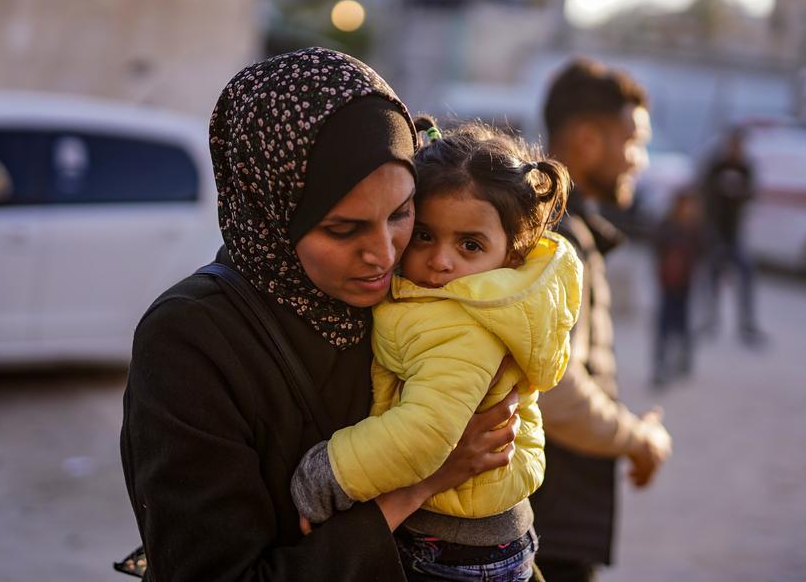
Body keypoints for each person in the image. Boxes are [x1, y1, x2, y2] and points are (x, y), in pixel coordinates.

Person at [120, 47, 520, 582]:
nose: (383, 253)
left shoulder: (416, 292)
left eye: (402, 214)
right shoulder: (191, 340)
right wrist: (419, 483)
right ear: (270, 212)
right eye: (343, 229)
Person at [290, 118, 582, 581]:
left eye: (470, 244)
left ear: (511, 255)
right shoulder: (460, 298)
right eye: (424, 235)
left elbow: (424, 433)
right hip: (481, 528)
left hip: (453, 547)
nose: (441, 260)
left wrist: (326, 476)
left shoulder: (461, 321)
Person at [529, 57, 672, 581]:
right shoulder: (560, 240)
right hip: (549, 521)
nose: (639, 160)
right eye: (632, 142)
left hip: (552, 514)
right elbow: (556, 390)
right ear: (587, 139)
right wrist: (637, 438)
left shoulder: (561, 227)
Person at [698, 126, 764, 345]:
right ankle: (710, 320)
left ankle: (747, 324)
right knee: (712, 277)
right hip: (715, 231)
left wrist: (739, 193)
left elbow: (752, 194)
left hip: (734, 232)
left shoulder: (745, 167)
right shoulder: (716, 166)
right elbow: (703, 193)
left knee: (746, 275)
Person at [651, 189, 704, 388]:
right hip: (668, 283)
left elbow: (705, 250)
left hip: (686, 284)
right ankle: (662, 366)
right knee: (664, 327)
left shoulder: (695, 229)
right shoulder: (668, 226)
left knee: (682, 324)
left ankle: (682, 361)